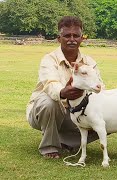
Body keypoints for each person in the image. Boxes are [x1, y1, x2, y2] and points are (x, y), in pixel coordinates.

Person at [25, 16, 106, 159]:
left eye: (76, 36)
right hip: (43, 113)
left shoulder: (89, 62)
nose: (72, 39)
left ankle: (67, 142)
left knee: (107, 114)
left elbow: (100, 90)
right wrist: (63, 92)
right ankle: (49, 146)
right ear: (59, 38)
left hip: (74, 113)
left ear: (82, 39)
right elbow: (51, 85)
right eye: (67, 35)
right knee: (51, 102)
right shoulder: (49, 59)